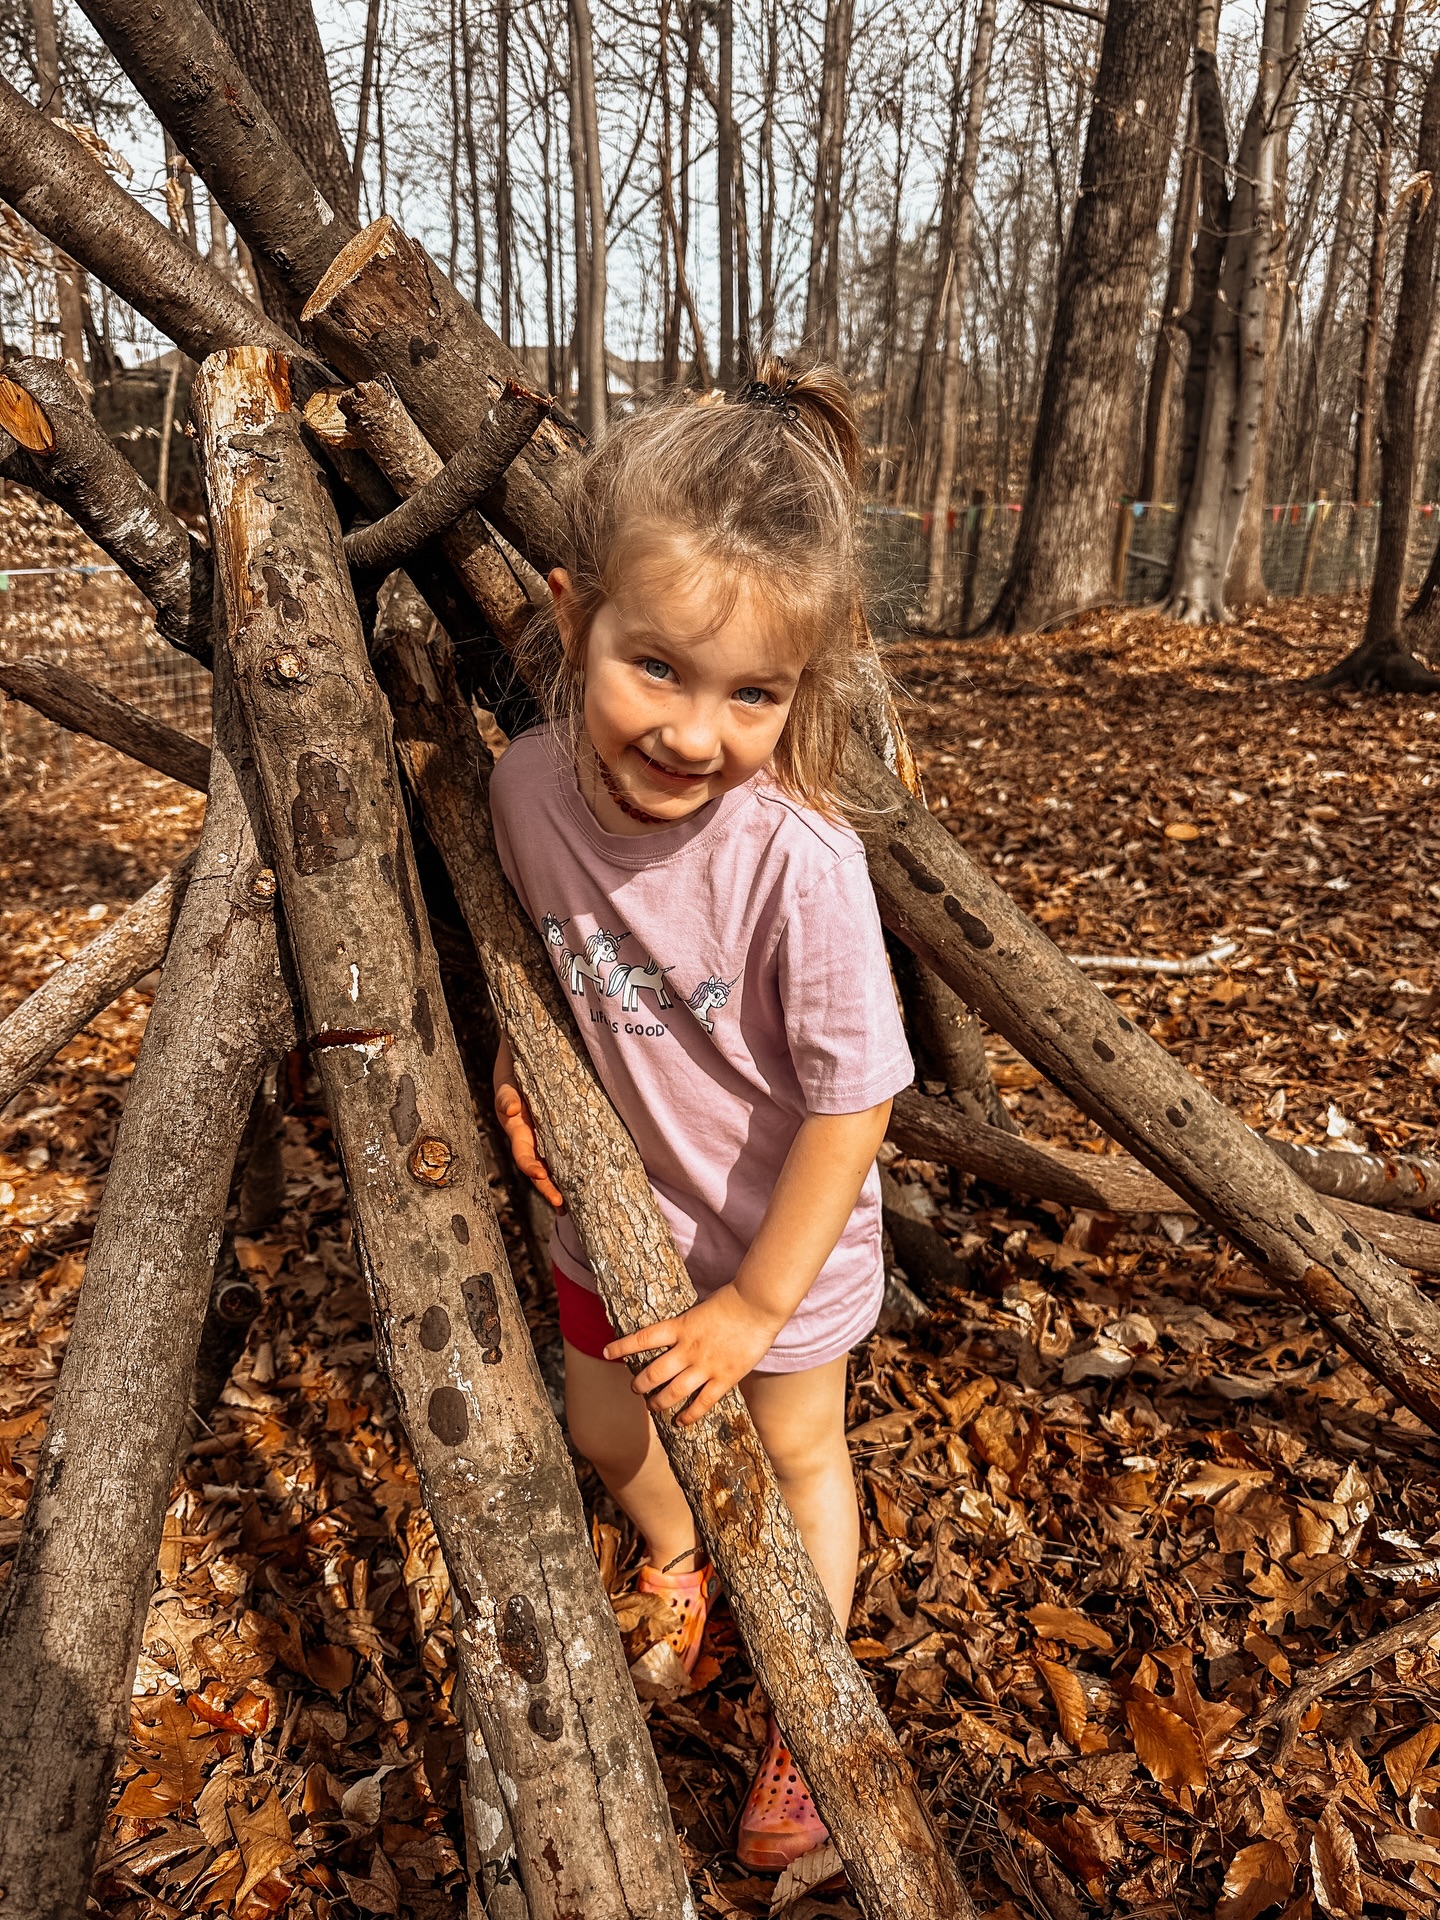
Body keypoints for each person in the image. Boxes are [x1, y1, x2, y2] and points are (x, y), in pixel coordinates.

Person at [488, 356, 912, 1872]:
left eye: (754, 694)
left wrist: (751, 1305)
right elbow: (527, 957)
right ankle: (679, 1556)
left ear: (804, 689)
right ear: (568, 614)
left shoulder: (801, 861)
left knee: (801, 1458)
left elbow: (856, 1103)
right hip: (610, 1216)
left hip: (776, 1246)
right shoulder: (525, 789)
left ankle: (806, 1701)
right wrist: (510, 1066)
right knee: (610, 1425)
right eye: (656, 666)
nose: (694, 730)